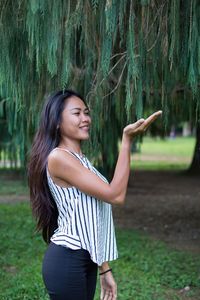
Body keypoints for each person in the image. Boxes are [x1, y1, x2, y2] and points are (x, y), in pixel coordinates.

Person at [28, 89, 162, 300]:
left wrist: (104, 269)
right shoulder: (59, 158)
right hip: (67, 261)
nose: (86, 118)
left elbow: (90, 219)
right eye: (77, 113)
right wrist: (126, 141)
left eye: (86, 112)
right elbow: (115, 195)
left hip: (86, 259)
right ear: (56, 122)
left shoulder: (80, 160)